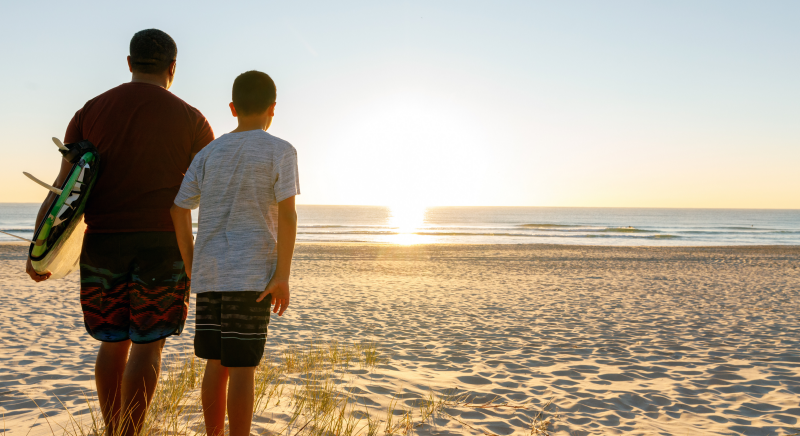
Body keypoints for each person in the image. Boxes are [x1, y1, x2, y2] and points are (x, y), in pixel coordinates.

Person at [26, 29, 215, 435]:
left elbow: (63, 187)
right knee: (148, 347)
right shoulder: (193, 119)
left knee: (113, 344)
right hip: (164, 245)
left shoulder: (89, 111)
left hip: (103, 244)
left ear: (129, 63)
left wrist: (37, 248)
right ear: (173, 68)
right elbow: (205, 195)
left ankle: (114, 432)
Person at [170, 70, 299, 436]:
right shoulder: (280, 150)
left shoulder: (209, 152)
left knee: (216, 362)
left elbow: (178, 209)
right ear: (273, 109)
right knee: (243, 366)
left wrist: (192, 263)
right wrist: (282, 275)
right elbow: (287, 215)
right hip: (252, 274)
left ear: (232, 108)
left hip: (210, 271)